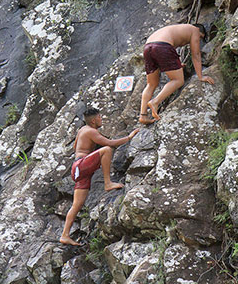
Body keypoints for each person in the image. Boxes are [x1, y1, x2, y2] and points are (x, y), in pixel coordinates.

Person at [60, 108, 140, 246]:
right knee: (106, 150)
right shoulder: (91, 131)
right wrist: (129, 137)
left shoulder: (82, 130)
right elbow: (110, 144)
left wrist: (88, 151)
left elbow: (75, 147)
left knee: (77, 205)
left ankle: (64, 235)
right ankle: (108, 183)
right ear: (93, 120)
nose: (101, 119)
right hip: (81, 165)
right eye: (99, 117)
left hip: (78, 168)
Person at [139, 24, 215, 124]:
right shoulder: (194, 30)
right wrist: (200, 76)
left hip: (148, 47)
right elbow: (195, 54)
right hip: (162, 46)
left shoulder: (179, 29)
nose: (199, 40)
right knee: (178, 80)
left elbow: (164, 51)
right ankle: (155, 102)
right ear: (200, 31)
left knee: (151, 84)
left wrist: (177, 65)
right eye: (201, 37)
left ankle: (143, 116)